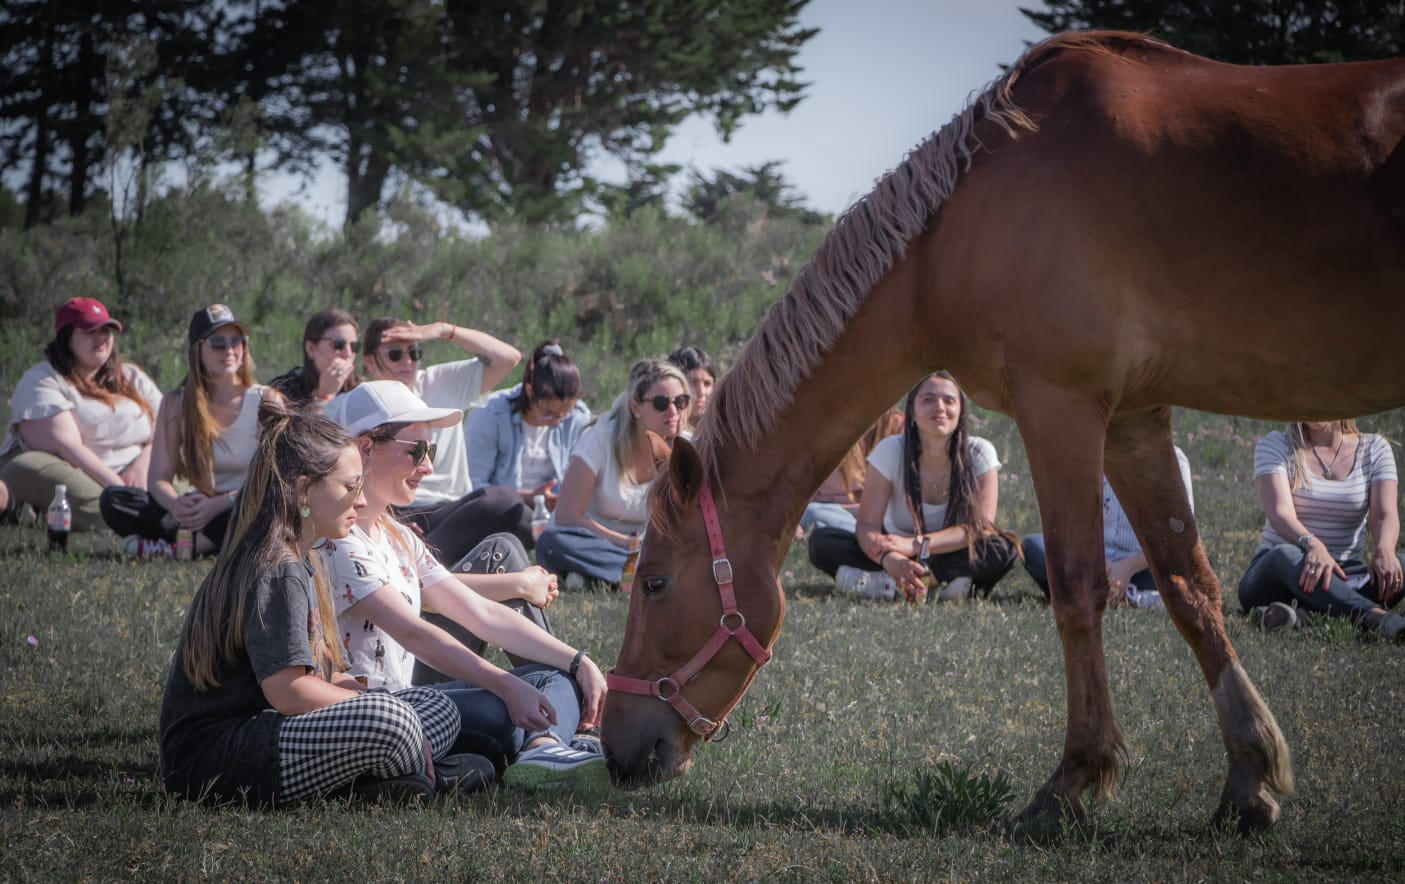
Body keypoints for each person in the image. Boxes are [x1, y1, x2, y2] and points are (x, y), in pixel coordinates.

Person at [159, 402, 494, 806]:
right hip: (216, 759)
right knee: (395, 720)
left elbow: (321, 674)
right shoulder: (276, 567)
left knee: (435, 706)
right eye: (350, 487)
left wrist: (359, 694)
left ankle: (390, 782)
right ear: (303, 491)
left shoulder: (307, 554)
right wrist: (372, 707)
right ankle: (414, 778)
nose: (360, 501)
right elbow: (288, 690)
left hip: (273, 733)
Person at [322, 380, 609, 787]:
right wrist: (506, 687)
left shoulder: (397, 535)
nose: (429, 467)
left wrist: (580, 662)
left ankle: (542, 747)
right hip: (381, 713)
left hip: (413, 701)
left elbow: (481, 612)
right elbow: (416, 634)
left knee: (553, 679)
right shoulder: (339, 541)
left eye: (431, 450)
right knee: (505, 708)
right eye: (417, 451)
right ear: (366, 448)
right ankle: (543, 747)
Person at [808, 372, 1019, 602]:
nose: (939, 407)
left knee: (1003, 548)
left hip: (947, 551)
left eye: (949, 401)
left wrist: (915, 545)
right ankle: (934, 585)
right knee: (822, 542)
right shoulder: (890, 450)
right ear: (912, 412)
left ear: (961, 411)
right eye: (928, 400)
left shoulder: (980, 453)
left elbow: (979, 527)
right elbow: (867, 525)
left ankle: (911, 583)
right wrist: (890, 559)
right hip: (894, 548)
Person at [100, 305, 280, 557]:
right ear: (198, 349)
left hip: (243, 504)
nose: (229, 350)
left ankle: (184, 547)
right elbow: (158, 479)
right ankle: (203, 541)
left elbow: (274, 478)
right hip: (200, 509)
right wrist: (177, 505)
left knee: (266, 507)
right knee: (113, 500)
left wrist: (220, 504)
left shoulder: (265, 400)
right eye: (218, 343)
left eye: (237, 341)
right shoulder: (176, 403)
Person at [348, 316, 525, 563]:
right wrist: (386, 518)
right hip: (389, 506)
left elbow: (508, 359)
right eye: (396, 354)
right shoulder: (360, 402)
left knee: (510, 507)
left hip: (449, 508)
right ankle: (422, 565)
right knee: (508, 542)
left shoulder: (439, 381)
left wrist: (445, 330)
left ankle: (421, 560)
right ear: (369, 360)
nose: (408, 361)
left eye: (415, 351)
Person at [0, 298, 162, 530]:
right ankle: (136, 514)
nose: (101, 337)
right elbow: (69, 448)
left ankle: (157, 512)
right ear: (66, 338)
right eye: (89, 330)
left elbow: (168, 425)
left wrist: (143, 463)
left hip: (139, 471)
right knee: (31, 465)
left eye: (106, 330)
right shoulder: (42, 379)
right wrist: (122, 491)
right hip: (80, 474)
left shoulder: (130, 376)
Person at [1237, 420, 1404, 637]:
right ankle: (1374, 617)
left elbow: (1384, 514)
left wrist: (1385, 550)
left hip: (1344, 574)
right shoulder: (1275, 444)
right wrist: (1312, 544)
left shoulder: (1374, 448)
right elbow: (1280, 514)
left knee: (1400, 564)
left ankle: (1299, 615)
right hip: (1280, 572)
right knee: (1286, 554)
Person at [535, 358, 689, 588]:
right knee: (551, 543)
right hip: (596, 543)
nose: (673, 411)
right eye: (660, 403)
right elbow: (568, 516)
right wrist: (629, 544)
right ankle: (641, 577)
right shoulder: (600, 438)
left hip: (652, 548)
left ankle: (606, 577)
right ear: (635, 406)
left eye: (681, 401)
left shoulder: (689, 448)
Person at [1022, 447, 1195, 609]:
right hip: (1096, 560)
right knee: (1034, 547)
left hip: (1146, 564)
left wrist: (1128, 567)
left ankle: (1092, 591)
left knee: (1182, 570)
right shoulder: (1093, 452)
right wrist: (1098, 562)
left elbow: (1179, 537)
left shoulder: (1173, 460)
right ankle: (1125, 595)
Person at [466, 340, 592, 536]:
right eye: (549, 413)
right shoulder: (490, 414)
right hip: (501, 511)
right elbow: (471, 488)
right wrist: (529, 498)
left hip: (555, 514)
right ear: (529, 391)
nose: (558, 422)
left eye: (564, 413)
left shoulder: (578, 418)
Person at [799, 408, 903, 536]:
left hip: (875, 515)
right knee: (814, 513)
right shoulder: (821, 426)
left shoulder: (896, 424)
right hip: (828, 512)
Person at [268, 308, 360, 411]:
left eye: (354, 346)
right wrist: (324, 397)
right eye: (338, 344)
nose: (348, 354)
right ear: (311, 348)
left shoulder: (361, 390)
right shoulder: (282, 391)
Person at [667, 346, 716, 436]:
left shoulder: (720, 434)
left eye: (707, 383)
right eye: (692, 382)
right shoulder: (664, 436)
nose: (701, 392)